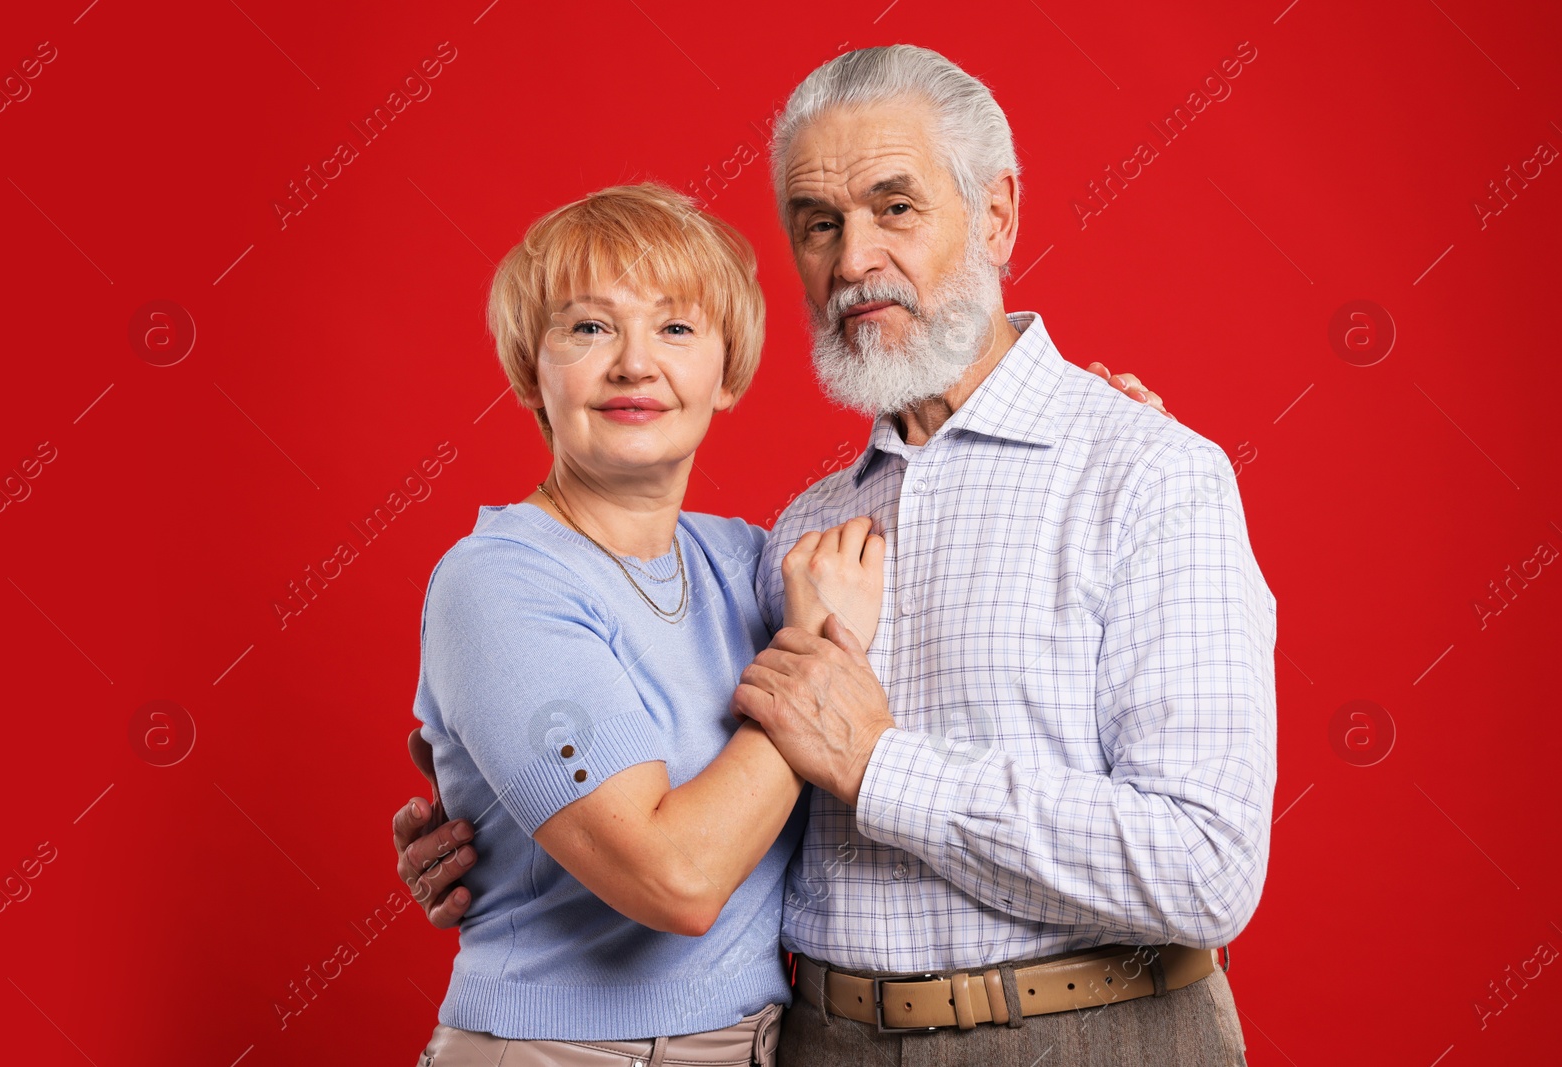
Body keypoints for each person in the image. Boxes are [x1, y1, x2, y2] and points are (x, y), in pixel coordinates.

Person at [399, 47, 1207, 1066]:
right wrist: (816, 655)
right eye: (588, 327)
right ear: (531, 369)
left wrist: (1094, 437)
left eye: (678, 326)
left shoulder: (757, 552)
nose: (635, 362)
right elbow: (667, 867)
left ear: (726, 371)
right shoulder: (519, 576)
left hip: (778, 1044)